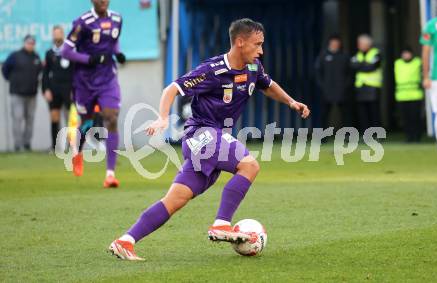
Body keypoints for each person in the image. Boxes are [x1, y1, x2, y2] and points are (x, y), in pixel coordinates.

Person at [108, 18, 310, 261]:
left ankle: (125, 241)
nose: (261, 51)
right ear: (240, 42)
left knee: (175, 199)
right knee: (250, 165)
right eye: (257, 45)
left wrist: (290, 101)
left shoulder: (254, 67)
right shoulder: (212, 70)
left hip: (214, 139)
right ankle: (222, 224)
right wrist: (163, 118)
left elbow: (267, 85)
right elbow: (171, 88)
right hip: (201, 133)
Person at [61, 0, 126, 188]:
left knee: (111, 118)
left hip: (107, 79)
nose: (103, 1)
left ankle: (110, 175)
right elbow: (66, 51)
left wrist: (118, 53)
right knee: (87, 122)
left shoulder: (117, 19)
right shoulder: (82, 22)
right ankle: (78, 152)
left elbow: (113, 42)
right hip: (84, 82)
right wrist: (90, 59)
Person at [1, 35, 42, 152]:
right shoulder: (15, 56)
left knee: (30, 119)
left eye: (32, 43)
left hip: (32, 94)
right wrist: (13, 81)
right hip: (17, 94)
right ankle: (18, 145)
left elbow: (39, 72)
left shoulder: (36, 57)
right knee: (17, 119)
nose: (30, 45)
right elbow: (5, 70)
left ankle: (27, 143)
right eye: (28, 43)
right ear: (24, 43)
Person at [42, 26, 74, 151]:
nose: (57, 36)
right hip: (54, 89)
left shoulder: (70, 51)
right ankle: (55, 146)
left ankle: (72, 145)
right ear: (52, 36)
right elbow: (45, 73)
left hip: (68, 88)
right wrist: (46, 89)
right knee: (54, 116)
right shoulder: (49, 53)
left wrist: (75, 89)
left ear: (63, 35)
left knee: (71, 117)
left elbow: (75, 71)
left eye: (59, 33)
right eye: (55, 34)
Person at [315, 34, 350, 129]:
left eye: (337, 43)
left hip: (341, 90)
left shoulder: (344, 56)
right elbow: (318, 72)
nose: (335, 45)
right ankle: (322, 136)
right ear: (329, 44)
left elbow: (350, 73)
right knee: (324, 113)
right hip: (326, 90)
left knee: (345, 114)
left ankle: (347, 135)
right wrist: (322, 85)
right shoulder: (323, 56)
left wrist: (345, 85)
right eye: (333, 43)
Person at [350, 34, 382, 133]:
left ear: (367, 44)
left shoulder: (376, 53)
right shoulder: (357, 54)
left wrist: (361, 65)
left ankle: (377, 134)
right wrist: (365, 65)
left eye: (360, 43)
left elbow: (371, 67)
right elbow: (352, 66)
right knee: (362, 114)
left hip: (373, 87)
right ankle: (365, 134)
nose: (358, 45)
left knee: (374, 113)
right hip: (360, 87)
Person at [394, 47, 423, 142]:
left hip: (415, 94)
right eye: (404, 53)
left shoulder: (418, 62)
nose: (405, 55)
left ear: (411, 54)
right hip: (402, 95)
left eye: (407, 53)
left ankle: (417, 136)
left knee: (415, 117)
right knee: (405, 118)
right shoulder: (397, 63)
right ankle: (408, 136)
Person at [420, 17, 437, 149]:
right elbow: (426, 52)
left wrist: (426, 76)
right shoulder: (431, 25)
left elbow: (426, 52)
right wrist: (426, 76)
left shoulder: (432, 25)